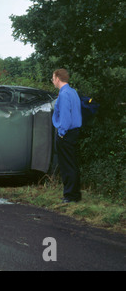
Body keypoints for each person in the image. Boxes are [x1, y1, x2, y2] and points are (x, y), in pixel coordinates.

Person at [51, 69, 82, 203]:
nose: (52, 81)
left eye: (53, 78)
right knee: (72, 164)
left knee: (66, 165)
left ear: (58, 78)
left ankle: (70, 196)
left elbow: (65, 117)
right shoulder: (72, 92)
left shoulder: (64, 94)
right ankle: (75, 194)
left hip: (66, 133)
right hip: (74, 132)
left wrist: (61, 133)